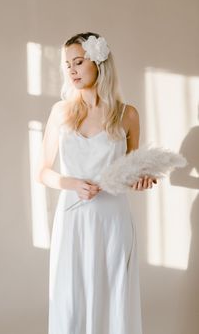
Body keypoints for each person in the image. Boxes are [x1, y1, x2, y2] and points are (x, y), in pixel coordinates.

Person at [36, 32, 157, 334]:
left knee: (114, 298)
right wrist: (71, 183)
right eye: (67, 65)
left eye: (78, 62)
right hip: (73, 221)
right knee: (71, 301)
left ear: (99, 63)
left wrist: (140, 179)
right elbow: (42, 172)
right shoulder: (60, 113)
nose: (72, 70)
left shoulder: (127, 115)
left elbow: (128, 173)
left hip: (113, 221)